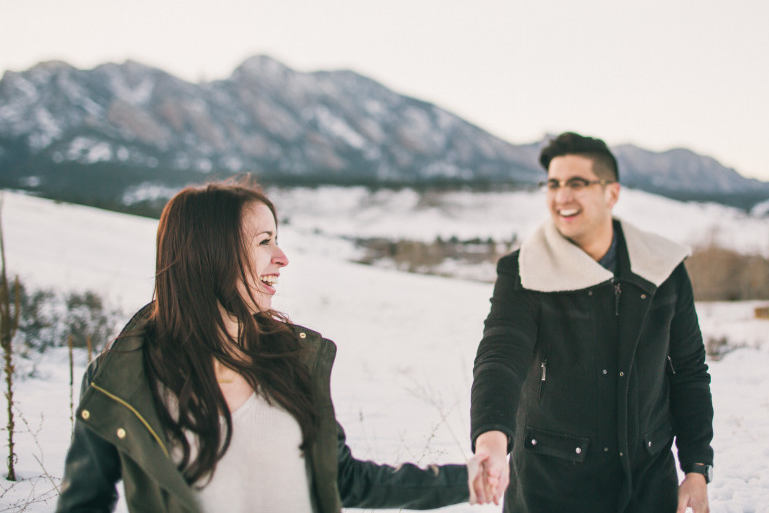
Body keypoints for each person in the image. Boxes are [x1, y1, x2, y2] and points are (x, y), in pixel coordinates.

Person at [56, 178, 493, 513]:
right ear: (209, 254)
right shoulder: (123, 378)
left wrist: (466, 479)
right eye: (264, 241)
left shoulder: (293, 360)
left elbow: (342, 478)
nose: (282, 258)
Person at [469, 132, 714, 513]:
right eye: (553, 184)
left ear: (611, 193)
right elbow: (500, 355)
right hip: (549, 491)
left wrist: (697, 468)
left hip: (648, 488)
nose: (561, 196)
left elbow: (689, 371)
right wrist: (491, 439)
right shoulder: (523, 271)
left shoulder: (663, 269)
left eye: (577, 183)